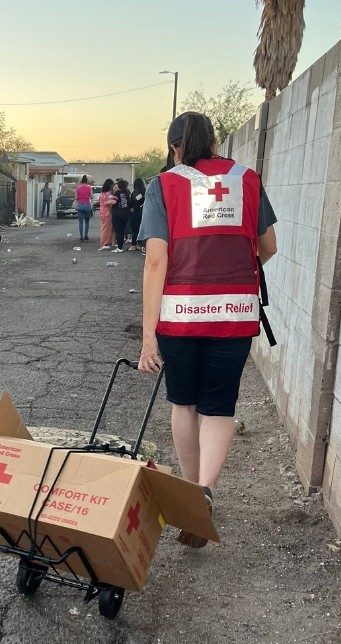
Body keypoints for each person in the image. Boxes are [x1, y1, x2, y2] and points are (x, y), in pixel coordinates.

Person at [137, 111, 277, 547]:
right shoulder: (247, 179)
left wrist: (147, 336)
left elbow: (156, 259)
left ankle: (189, 492)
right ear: (214, 141)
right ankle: (205, 492)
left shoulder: (164, 185)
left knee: (184, 404)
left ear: (175, 146)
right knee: (220, 407)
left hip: (180, 316)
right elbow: (268, 246)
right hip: (235, 314)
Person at [111, 178, 131, 253]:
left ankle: (119, 247)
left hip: (117, 214)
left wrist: (108, 201)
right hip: (125, 214)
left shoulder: (117, 192)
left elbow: (114, 201)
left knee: (118, 231)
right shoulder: (127, 192)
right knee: (122, 231)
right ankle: (120, 246)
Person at [127, 177, 146, 252]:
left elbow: (135, 201)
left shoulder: (135, 192)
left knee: (135, 229)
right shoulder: (145, 191)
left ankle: (134, 244)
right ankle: (140, 244)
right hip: (143, 212)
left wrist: (132, 207)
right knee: (141, 229)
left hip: (135, 212)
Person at [97, 178, 116, 251]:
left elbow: (100, 202)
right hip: (107, 213)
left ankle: (105, 242)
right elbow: (109, 202)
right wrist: (115, 201)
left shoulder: (102, 194)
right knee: (106, 229)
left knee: (104, 228)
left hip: (102, 213)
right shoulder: (107, 194)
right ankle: (103, 244)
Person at [74, 175, 93, 242]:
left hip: (80, 206)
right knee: (87, 222)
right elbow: (92, 196)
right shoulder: (89, 187)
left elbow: (76, 198)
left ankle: (81, 237)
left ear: (81, 181)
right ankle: (86, 235)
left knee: (80, 222)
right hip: (87, 206)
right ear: (87, 181)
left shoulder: (78, 188)